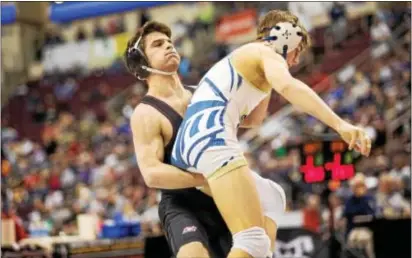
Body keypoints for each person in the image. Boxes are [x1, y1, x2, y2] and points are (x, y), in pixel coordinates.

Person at [171, 9, 372, 258]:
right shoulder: (264, 51)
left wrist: (264, 86)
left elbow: (254, 120)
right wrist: (340, 124)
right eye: (297, 51)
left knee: (273, 197)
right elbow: (289, 86)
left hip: (190, 145)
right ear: (285, 37)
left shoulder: (248, 56)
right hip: (210, 138)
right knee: (252, 240)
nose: (296, 61)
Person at [125, 21, 286, 258]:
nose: (169, 47)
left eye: (170, 42)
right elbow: (152, 173)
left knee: (254, 245)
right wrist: (210, 176)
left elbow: (252, 119)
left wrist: (265, 73)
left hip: (221, 197)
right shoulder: (146, 113)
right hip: (183, 204)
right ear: (142, 63)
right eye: (158, 45)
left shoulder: (202, 94)